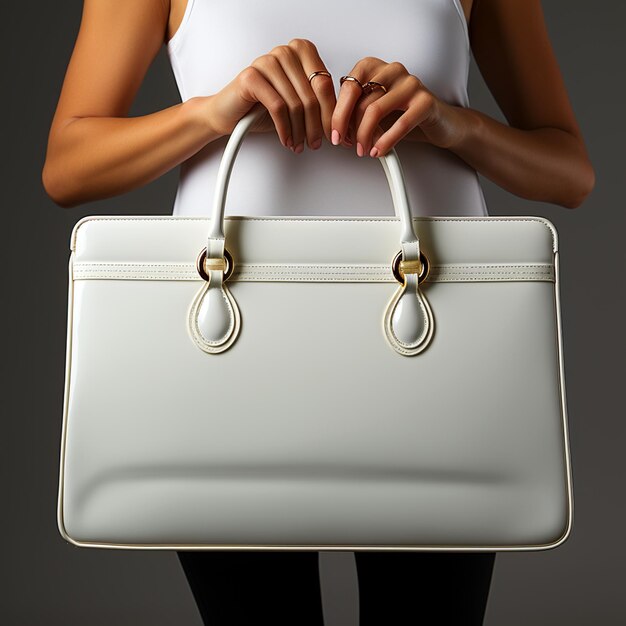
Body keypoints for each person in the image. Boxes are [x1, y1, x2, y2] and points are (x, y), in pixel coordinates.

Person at [42, 0, 594, 624]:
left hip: (442, 358)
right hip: (231, 373)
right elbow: (67, 166)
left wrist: (453, 124)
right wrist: (214, 112)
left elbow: (570, 172)